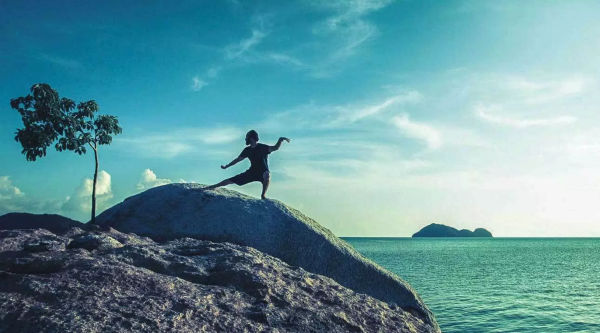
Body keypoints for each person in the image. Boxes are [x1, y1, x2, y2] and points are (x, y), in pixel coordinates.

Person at [204, 130, 290, 199]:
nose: (246, 139)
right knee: (231, 180)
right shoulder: (247, 150)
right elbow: (238, 160)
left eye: (247, 137)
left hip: (262, 172)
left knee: (267, 175)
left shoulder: (262, 147)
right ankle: (214, 186)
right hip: (252, 172)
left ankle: (263, 195)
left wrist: (280, 140)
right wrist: (227, 166)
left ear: (251, 138)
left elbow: (275, 148)